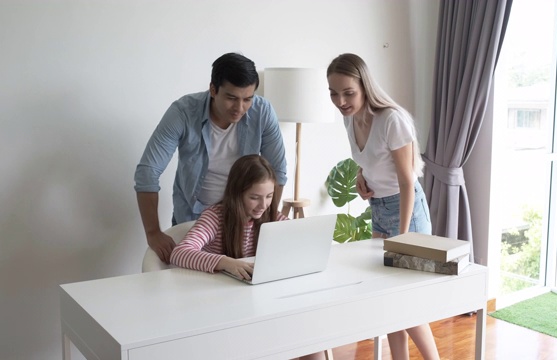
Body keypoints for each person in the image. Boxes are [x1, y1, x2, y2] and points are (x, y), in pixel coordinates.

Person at [326, 53, 439, 360]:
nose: (341, 101)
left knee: (406, 303)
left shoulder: (392, 119)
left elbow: (406, 181)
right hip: (379, 208)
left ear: (365, 86)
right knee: (388, 301)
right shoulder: (350, 119)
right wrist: (362, 176)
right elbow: (370, 158)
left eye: (348, 93)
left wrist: (401, 237)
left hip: (407, 213)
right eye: (334, 93)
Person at [134, 52, 287, 265]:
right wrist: (153, 232)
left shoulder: (263, 111)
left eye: (247, 99)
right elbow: (148, 172)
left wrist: (265, 221)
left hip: (245, 221)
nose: (240, 108)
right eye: (232, 98)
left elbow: (278, 172)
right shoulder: (183, 112)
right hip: (193, 218)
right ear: (213, 90)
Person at [170, 154, 324, 360]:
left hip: (261, 305)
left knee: (311, 337)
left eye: (269, 196)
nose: (263, 205)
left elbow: (301, 238)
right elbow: (180, 252)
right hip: (222, 310)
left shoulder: (273, 218)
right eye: (255, 197)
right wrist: (225, 262)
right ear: (237, 192)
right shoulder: (215, 217)